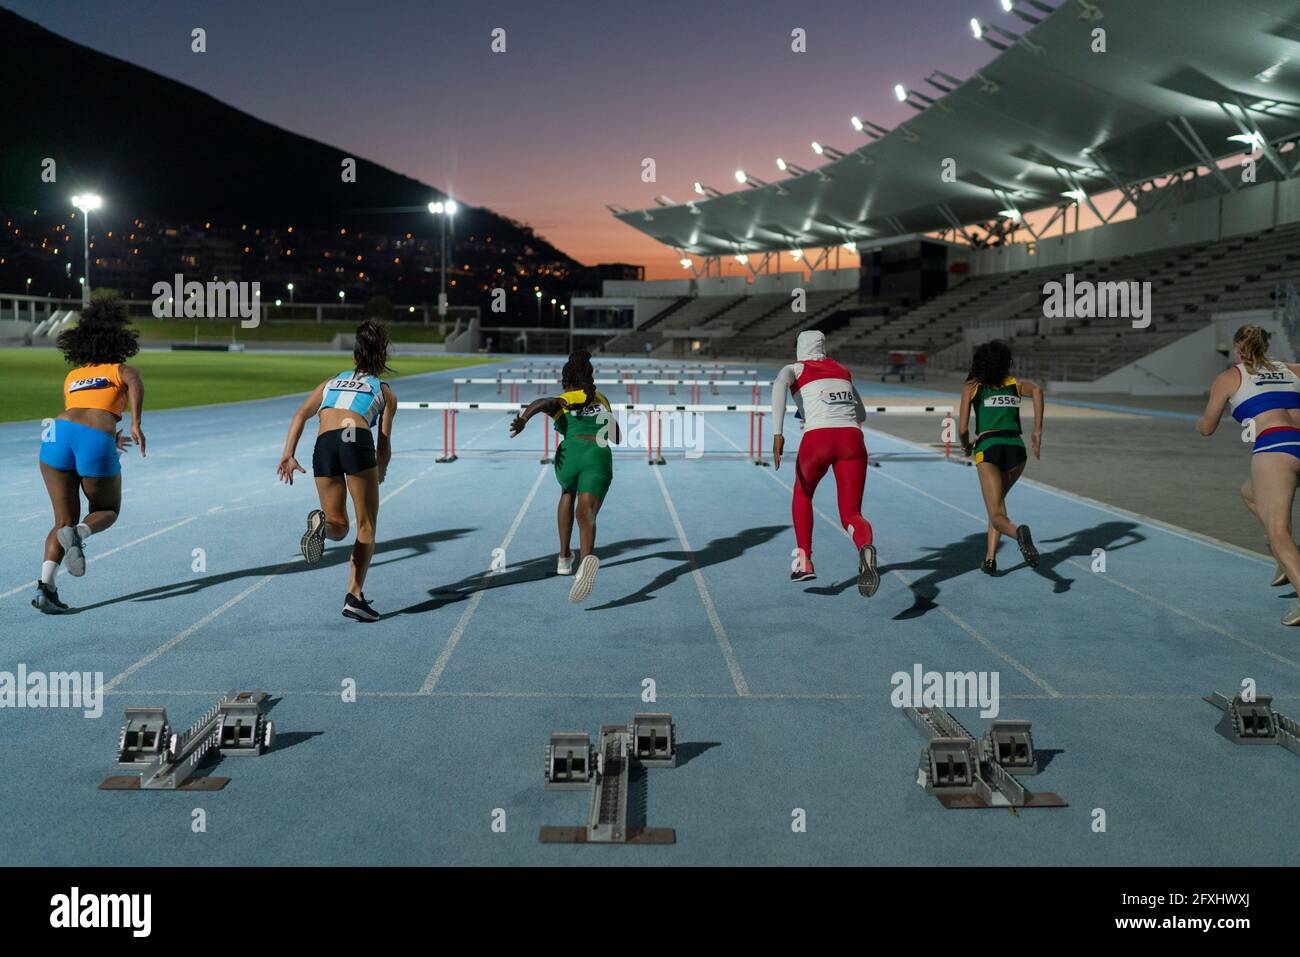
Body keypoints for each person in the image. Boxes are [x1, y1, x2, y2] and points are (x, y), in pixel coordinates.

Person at [277, 319, 397, 622]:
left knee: (338, 527)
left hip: (325, 442)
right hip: (355, 438)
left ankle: (321, 525)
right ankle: (354, 596)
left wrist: (288, 454)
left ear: (355, 355)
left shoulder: (331, 382)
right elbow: (383, 442)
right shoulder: (384, 391)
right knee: (366, 524)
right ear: (381, 357)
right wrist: (380, 469)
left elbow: (300, 414)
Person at [32, 298, 145, 613]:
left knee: (60, 521)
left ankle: (45, 589)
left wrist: (109, 436)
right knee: (106, 508)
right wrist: (135, 424)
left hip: (55, 435)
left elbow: (81, 412)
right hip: (94, 437)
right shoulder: (121, 369)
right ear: (119, 340)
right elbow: (133, 381)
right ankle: (79, 534)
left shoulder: (73, 377)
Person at [1196, 324, 1300, 624]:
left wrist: (1198, 424)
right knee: (1250, 492)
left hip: (1276, 448)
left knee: (1279, 532)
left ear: (1237, 346)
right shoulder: (1292, 369)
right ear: (1266, 346)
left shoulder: (1230, 377)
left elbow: (1208, 427)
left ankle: (1289, 562)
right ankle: (1287, 557)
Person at [772, 330, 879, 597]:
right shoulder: (843, 370)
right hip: (852, 439)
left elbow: (778, 386)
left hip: (818, 439)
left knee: (803, 493)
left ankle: (804, 560)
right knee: (851, 514)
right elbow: (861, 413)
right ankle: (864, 545)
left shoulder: (794, 368)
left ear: (799, 347)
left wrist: (778, 433)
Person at [509, 348, 619, 603]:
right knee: (587, 513)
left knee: (567, 493)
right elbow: (616, 436)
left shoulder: (564, 399)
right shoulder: (601, 398)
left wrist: (525, 418)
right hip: (597, 456)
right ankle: (584, 564)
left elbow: (543, 402)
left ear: (565, 377)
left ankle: (563, 557)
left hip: (569, 457)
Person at [957, 340, 1042, 575]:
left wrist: (966, 447)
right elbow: (1037, 390)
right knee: (997, 507)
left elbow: (963, 429)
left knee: (996, 514)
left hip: (989, 449)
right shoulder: (1014, 385)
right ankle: (990, 559)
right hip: (1016, 450)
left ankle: (1019, 534)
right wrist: (1037, 430)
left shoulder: (972, 386)